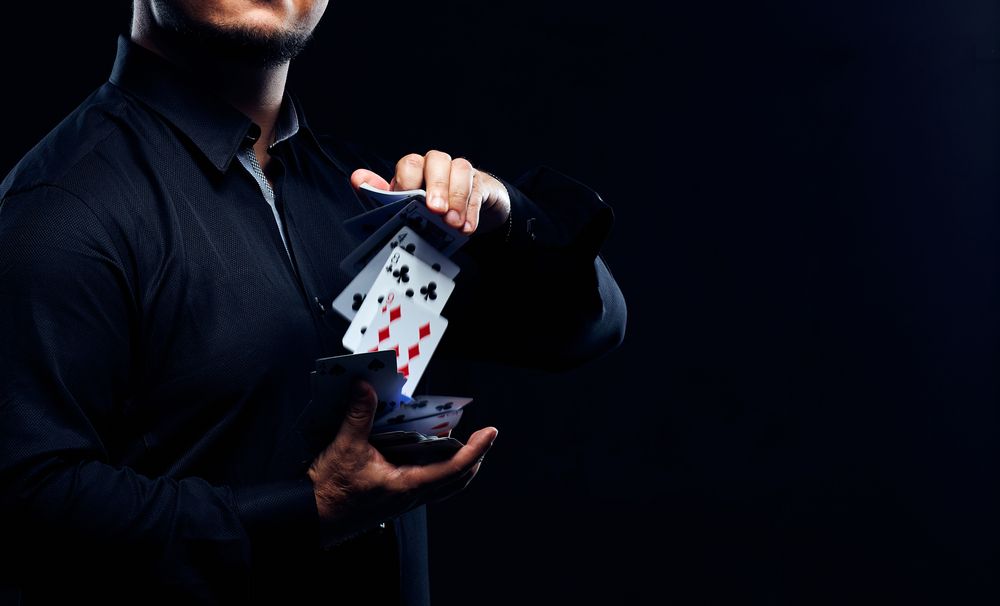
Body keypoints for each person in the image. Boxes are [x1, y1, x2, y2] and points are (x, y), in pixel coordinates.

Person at [0, 1, 626, 604]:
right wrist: (311, 507)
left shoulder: (370, 196)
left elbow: (586, 326)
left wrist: (506, 214)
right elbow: (25, 508)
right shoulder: (56, 211)